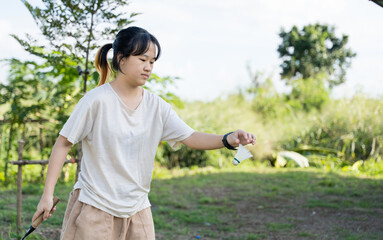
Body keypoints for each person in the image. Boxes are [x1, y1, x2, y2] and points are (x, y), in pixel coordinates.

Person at [32, 26, 256, 240]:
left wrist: (228, 139)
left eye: (152, 61)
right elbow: (63, 144)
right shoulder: (96, 100)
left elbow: (190, 136)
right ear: (121, 59)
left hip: (138, 211)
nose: (148, 67)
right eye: (142, 60)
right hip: (95, 208)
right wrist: (47, 195)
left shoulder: (156, 106)